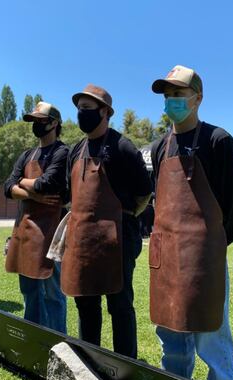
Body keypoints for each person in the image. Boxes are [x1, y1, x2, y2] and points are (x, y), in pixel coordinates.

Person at [149, 65, 233, 380]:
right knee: (171, 336)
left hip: (205, 260)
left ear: (197, 98)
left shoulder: (218, 140)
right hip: (167, 261)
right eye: (167, 95)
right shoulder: (160, 147)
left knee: (212, 337)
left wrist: (212, 247)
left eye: (178, 94)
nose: (171, 101)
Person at [61, 84, 152, 359]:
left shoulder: (123, 147)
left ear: (106, 112)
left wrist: (122, 220)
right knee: (86, 304)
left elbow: (144, 192)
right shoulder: (75, 151)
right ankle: (90, 364)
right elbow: (70, 193)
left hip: (117, 240)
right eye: (79, 109)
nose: (81, 114)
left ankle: (126, 368)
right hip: (82, 240)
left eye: (87, 109)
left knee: (120, 306)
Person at [4, 102, 68, 333]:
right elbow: (7, 187)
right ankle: (32, 336)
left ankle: (59, 342)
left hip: (51, 233)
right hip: (24, 230)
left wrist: (22, 183)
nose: (37, 125)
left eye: (41, 120)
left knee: (53, 293)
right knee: (29, 290)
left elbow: (47, 183)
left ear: (54, 123)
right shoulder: (27, 154)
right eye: (35, 121)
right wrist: (35, 195)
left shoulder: (62, 152)